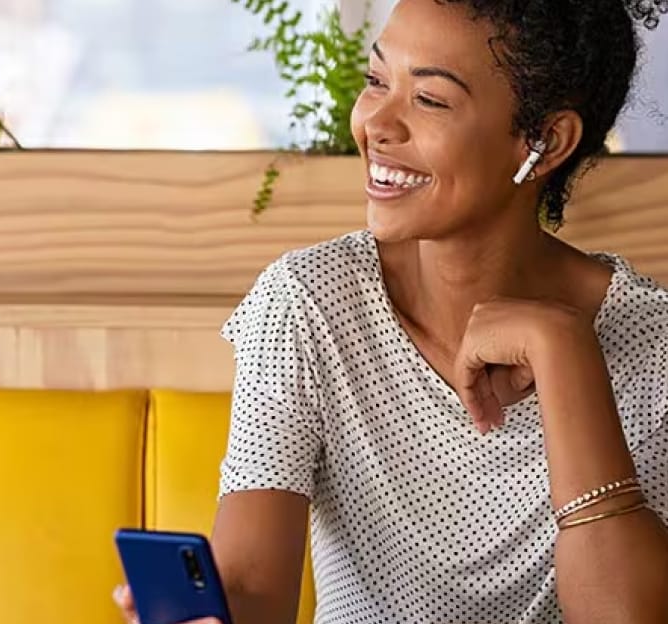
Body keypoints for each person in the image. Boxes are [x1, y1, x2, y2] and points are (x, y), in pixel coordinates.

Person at [116, 0, 668, 622]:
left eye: (429, 100)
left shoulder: (654, 343)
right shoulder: (310, 300)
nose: (375, 122)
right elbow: (250, 585)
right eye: (377, 81)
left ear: (544, 143)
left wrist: (565, 352)